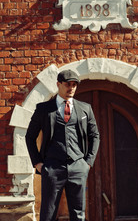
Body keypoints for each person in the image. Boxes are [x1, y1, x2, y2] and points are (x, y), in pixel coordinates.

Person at [25, 69, 100, 221]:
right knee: (48, 214)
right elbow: (30, 137)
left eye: (74, 85)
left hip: (78, 166)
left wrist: (88, 163)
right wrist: (38, 163)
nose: (71, 88)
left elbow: (95, 136)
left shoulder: (85, 109)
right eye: (67, 84)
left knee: (79, 215)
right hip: (52, 167)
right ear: (58, 84)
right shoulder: (43, 109)